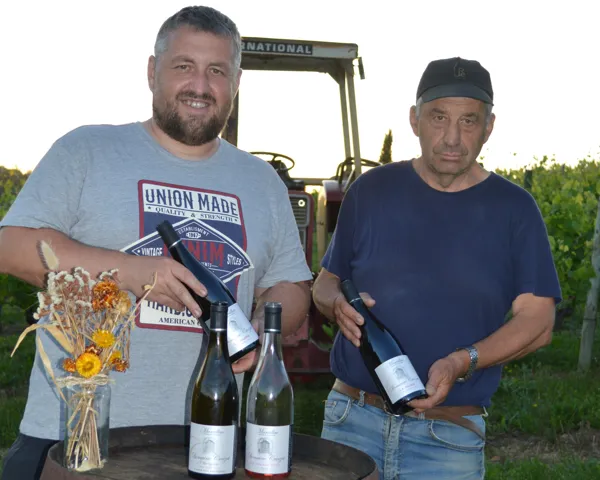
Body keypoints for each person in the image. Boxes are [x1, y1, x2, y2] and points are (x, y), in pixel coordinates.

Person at [0, 6, 312, 479]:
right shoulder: (87, 150)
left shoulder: (262, 181)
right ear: (152, 72)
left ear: (236, 82)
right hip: (78, 437)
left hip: (210, 439)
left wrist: (258, 331)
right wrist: (135, 272)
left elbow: (291, 287)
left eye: (217, 71)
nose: (200, 86)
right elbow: (11, 246)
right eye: (184, 66)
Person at [312, 57, 561, 480]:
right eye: (439, 117)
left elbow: (538, 322)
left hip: (447, 437)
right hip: (351, 421)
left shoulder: (514, 210)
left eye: (469, 121)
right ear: (415, 120)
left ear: (489, 127)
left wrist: (462, 361)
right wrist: (335, 303)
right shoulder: (370, 191)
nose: (452, 138)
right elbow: (326, 282)